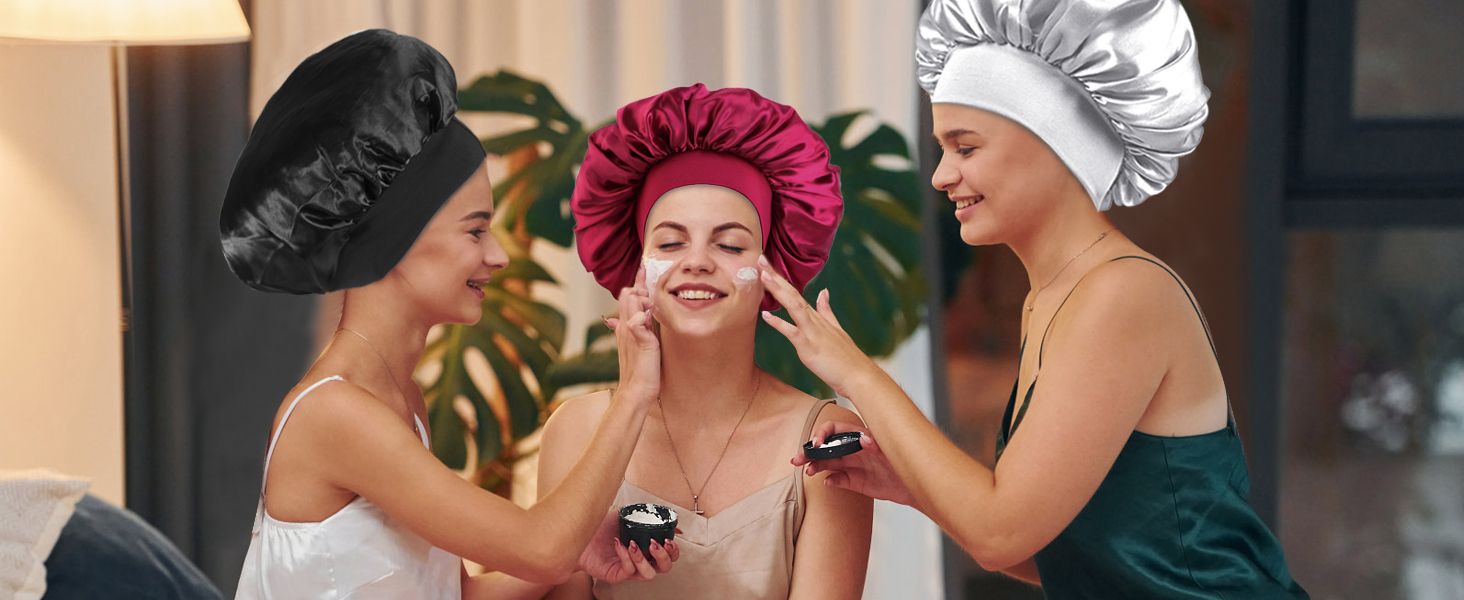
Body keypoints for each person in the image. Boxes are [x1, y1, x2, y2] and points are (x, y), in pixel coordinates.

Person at [770, 1, 1311, 598]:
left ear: (1054, 140)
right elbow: (1060, 553)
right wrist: (910, 485)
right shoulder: (1057, 295)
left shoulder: (1122, 295)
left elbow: (1000, 536)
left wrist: (856, 373)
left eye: (965, 147)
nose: (940, 176)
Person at [220, 30, 674, 599]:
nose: (498, 255)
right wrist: (634, 393)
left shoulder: (399, 399)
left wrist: (578, 555)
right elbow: (541, 546)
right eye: (475, 230)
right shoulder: (336, 413)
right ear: (397, 240)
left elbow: (455, 592)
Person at [537, 84, 873, 600]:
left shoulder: (825, 439)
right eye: (670, 243)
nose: (696, 261)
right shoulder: (577, 430)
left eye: (730, 243)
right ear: (638, 266)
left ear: (770, 269)